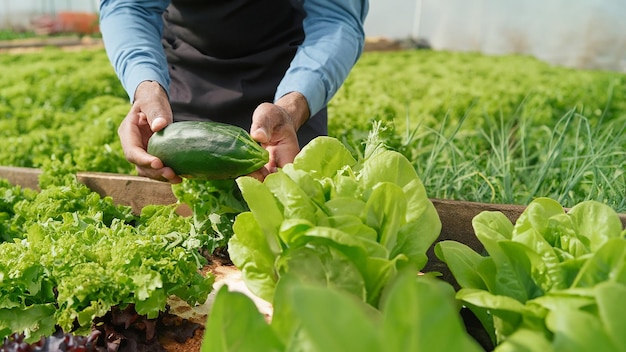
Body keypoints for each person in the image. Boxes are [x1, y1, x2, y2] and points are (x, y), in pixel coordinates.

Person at [98, 0, 369, 183]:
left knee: (293, 211)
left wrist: (293, 107)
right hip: (187, 70)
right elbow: (129, 5)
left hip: (290, 74)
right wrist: (145, 84)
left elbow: (335, 18)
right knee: (183, 217)